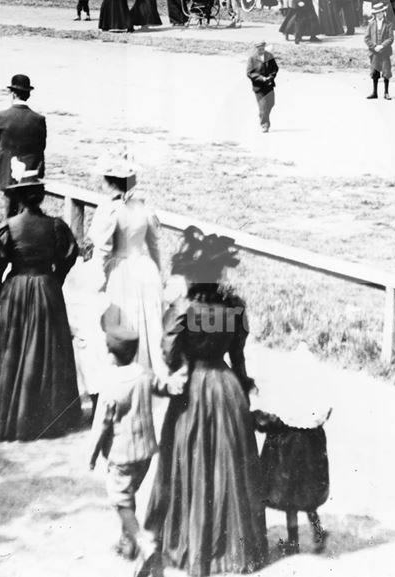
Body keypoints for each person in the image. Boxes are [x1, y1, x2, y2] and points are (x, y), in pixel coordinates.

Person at [144, 227, 268, 576]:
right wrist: (244, 388)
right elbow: (239, 357)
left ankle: (193, 540)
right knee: (229, 466)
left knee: (190, 462)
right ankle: (235, 547)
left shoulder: (183, 310)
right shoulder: (233, 308)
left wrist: (183, 365)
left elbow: (169, 355)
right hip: (227, 389)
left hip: (194, 390)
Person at [0, 165, 81, 441]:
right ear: (41, 197)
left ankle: (16, 417)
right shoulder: (55, 226)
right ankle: (51, 416)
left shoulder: (6, 228)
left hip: (16, 287)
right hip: (46, 286)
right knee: (50, 347)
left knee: (15, 348)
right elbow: (69, 255)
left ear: (18, 198)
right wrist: (56, 279)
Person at [89, 323, 186, 567]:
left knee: (120, 499)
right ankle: (127, 543)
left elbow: (102, 422)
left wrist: (91, 455)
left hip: (121, 454)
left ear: (111, 354)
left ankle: (143, 542)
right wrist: (183, 374)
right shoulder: (145, 374)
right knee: (129, 493)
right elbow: (167, 387)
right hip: (145, 452)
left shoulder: (110, 382)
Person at [251, 344, 331, 556]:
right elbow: (324, 412)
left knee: (290, 500)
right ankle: (318, 531)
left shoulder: (286, 405)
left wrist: (257, 419)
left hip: (288, 453)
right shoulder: (314, 412)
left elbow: (273, 418)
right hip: (310, 450)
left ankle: (294, 542)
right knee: (308, 498)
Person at [89, 158, 166, 374]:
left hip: (121, 270)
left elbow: (101, 247)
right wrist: (158, 273)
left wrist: (99, 279)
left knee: (127, 316)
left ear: (109, 182)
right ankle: (149, 367)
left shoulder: (109, 209)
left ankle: (126, 369)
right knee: (147, 318)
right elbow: (154, 244)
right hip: (145, 268)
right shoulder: (143, 207)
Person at [0, 74, 47, 218]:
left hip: (7, 171)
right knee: (28, 211)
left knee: (9, 210)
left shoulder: (1, 116)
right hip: (30, 173)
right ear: (28, 95)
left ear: (12, 93)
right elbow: (42, 145)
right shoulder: (39, 119)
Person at [363, 0, 394, 100]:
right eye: (376, 13)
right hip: (374, 52)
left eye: (380, 12)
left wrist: (382, 46)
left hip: (384, 52)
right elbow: (366, 38)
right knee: (375, 72)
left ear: (383, 12)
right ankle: (374, 92)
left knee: (386, 71)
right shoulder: (371, 24)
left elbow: (391, 38)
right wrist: (374, 46)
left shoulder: (388, 24)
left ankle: (386, 92)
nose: (378, 15)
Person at [246, 41, 278, 133]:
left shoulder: (269, 56)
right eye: (259, 49)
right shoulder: (252, 58)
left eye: (263, 48)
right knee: (263, 105)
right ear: (256, 48)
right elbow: (249, 73)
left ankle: (262, 114)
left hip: (269, 85)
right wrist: (261, 78)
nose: (261, 50)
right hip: (258, 87)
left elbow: (275, 68)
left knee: (271, 103)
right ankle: (265, 124)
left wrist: (271, 77)